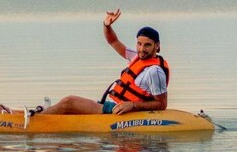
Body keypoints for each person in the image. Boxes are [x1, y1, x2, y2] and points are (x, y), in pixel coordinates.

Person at [40, 9, 168, 115]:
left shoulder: (155, 71)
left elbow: (161, 104)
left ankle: (37, 119)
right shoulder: (136, 57)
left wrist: (132, 105)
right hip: (108, 105)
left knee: (69, 102)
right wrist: (107, 25)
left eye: (147, 45)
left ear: (157, 46)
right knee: (69, 108)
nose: (141, 49)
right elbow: (113, 41)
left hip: (117, 111)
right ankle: (45, 114)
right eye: (139, 44)